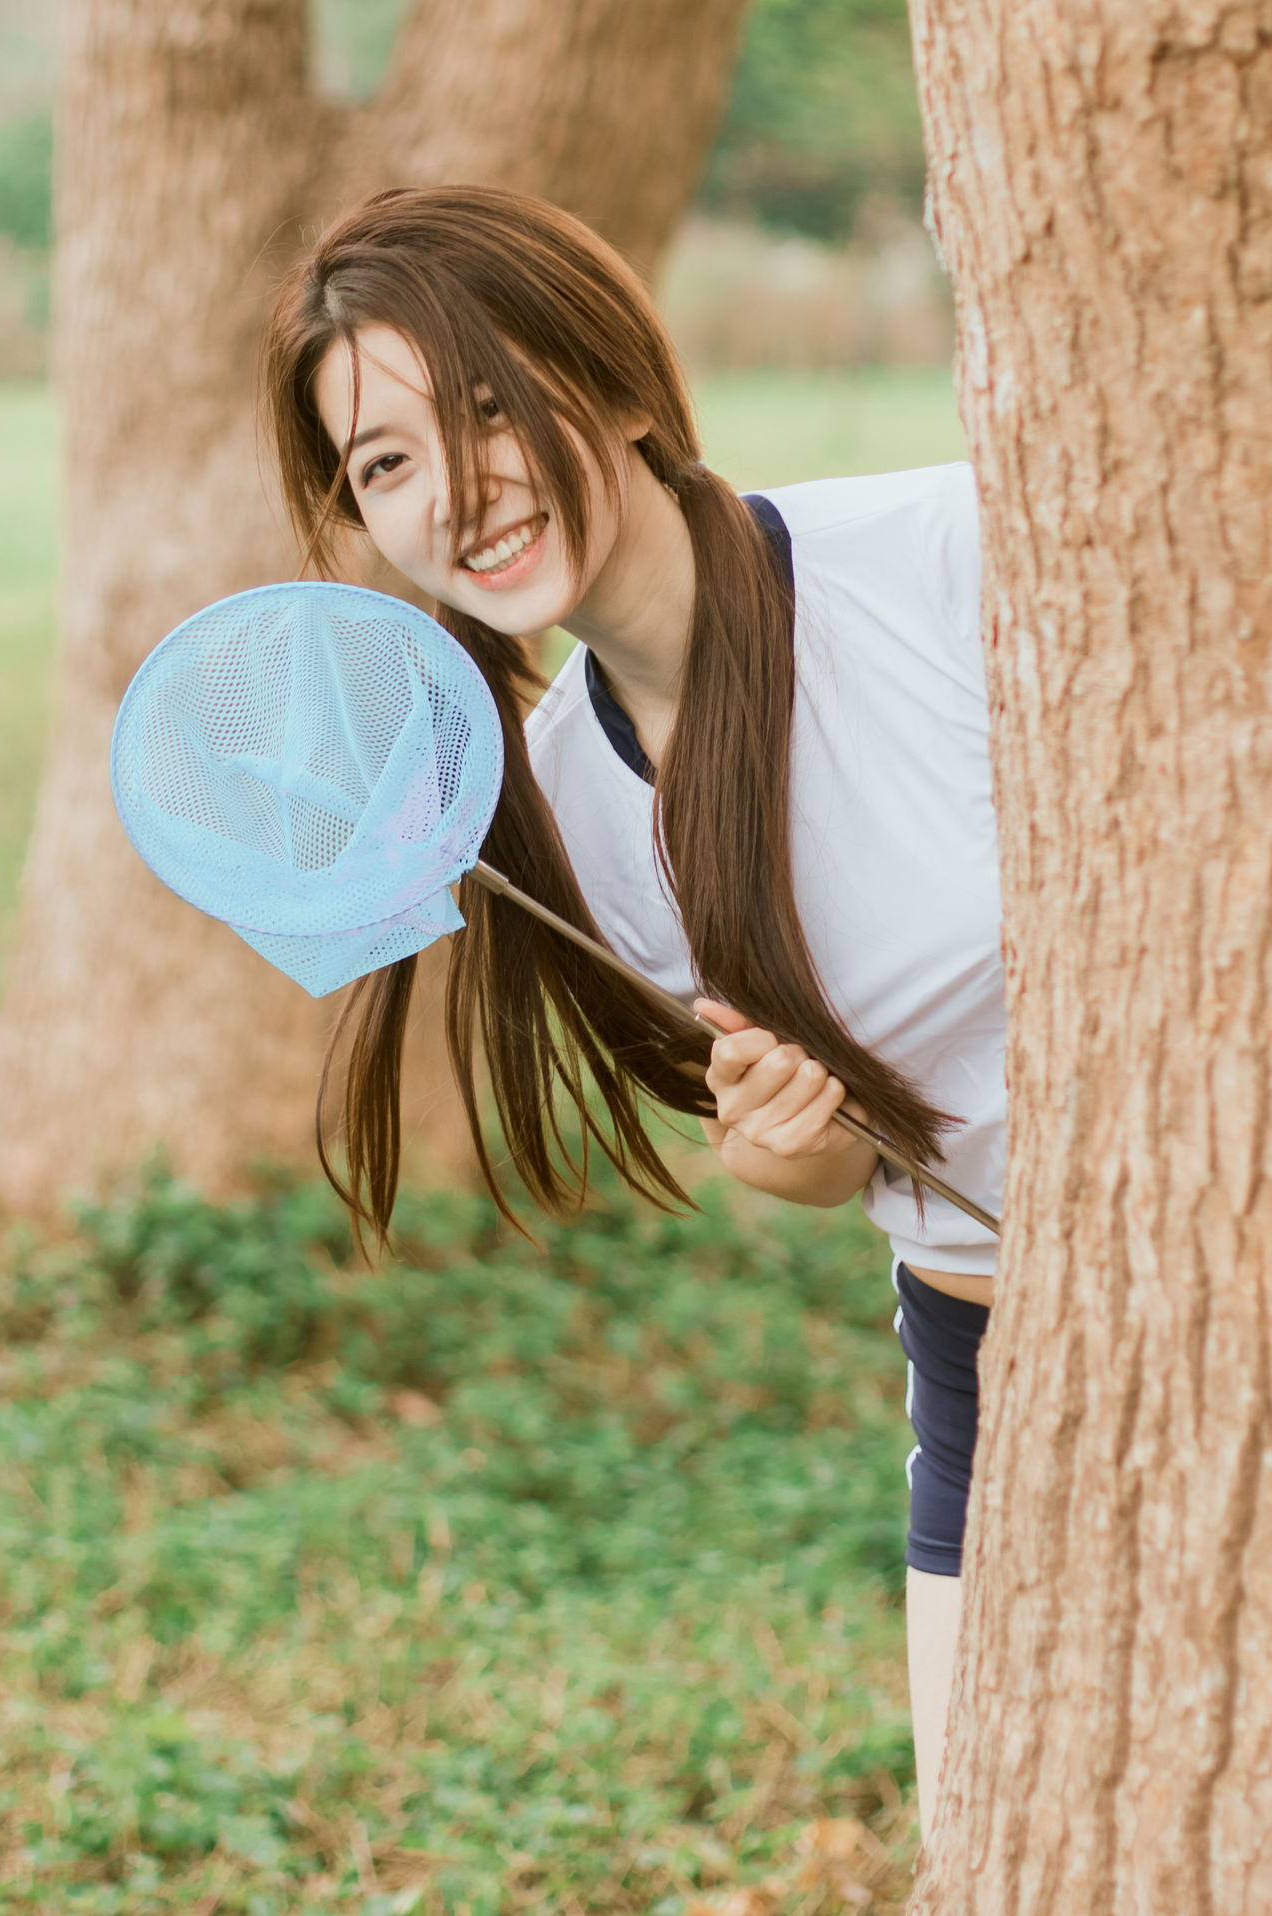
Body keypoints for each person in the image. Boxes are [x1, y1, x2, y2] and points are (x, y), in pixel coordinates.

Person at [261, 183, 1009, 1836]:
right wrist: (787, 1154)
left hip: (1263, 1298)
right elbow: (843, 1164)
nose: (453, 488)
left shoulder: (948, 554)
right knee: (993, 1852)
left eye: (478, 405)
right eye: (383, 464)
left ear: (610, 378)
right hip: (985, 1359)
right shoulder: (547, 796)